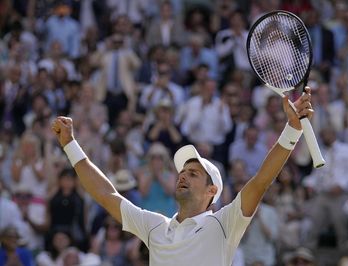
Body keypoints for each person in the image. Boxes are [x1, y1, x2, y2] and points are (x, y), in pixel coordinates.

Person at [51, 88, 314, 265]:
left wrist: (292, 129)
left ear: (212, 191)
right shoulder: (155, 226)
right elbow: (106, 194)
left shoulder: (224, 223)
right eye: (182, 172)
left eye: (194, 173)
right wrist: (70, 145)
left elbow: (260, 181)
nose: (183, 176)